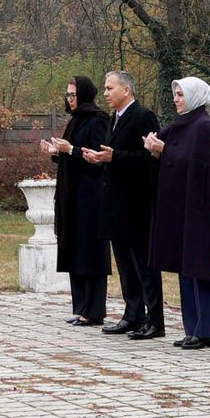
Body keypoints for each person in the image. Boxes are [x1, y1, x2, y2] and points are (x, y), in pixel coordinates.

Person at [144, 77, 210, 349]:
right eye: (174, 94)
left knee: (202, 268)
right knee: (186, 268)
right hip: (183, 208)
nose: (176, 99)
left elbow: (199, 166)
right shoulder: (181, 125)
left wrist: (164, 151)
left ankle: (206, 329)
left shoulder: (204, 127)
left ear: (195, 96)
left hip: (203, 209)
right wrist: (156, 150)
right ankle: (192, 328)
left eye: (180, 94)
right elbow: (176, 158)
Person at [83, 70, 164, 340]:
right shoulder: (113, 118)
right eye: (105, 88)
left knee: (144, 265)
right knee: (125, 265)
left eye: (109, 88)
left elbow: (150, 158)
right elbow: (114, 156)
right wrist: (100, 158)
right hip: (115, 203)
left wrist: (115, 156)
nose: (105, 93)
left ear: (126, 90)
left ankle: (155, 320)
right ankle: (133, 315)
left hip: (136, 204)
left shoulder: (143, 116)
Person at [39, 74, 111, 327]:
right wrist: (55, 153)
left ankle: (94, 309)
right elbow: (72, 155)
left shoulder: (98, 120)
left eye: (73, 94)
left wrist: (70, 150)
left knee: (90, 253)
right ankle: (80, 307)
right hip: (72, 197)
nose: (69, 99)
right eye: (67, 95)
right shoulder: (76, 121)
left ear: (84, 94)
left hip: (90, 198)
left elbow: (98, 157)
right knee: (74, 250)